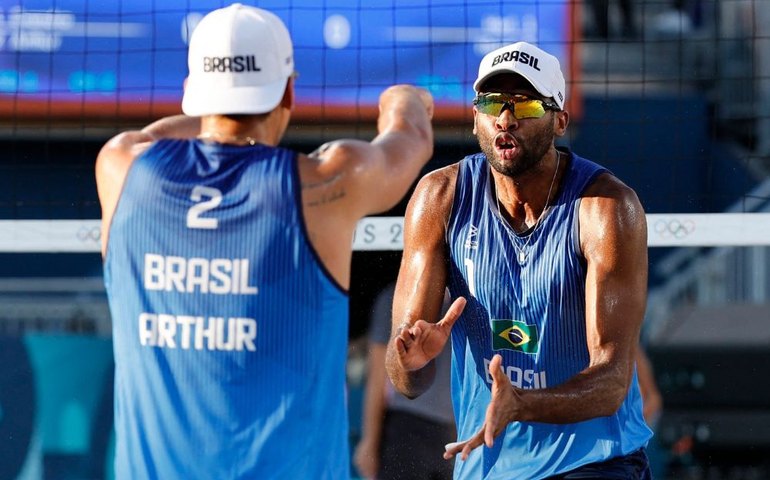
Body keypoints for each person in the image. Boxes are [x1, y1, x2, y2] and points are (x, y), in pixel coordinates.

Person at [95, 4, 434, 479]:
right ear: (289, 91)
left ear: (192, 91)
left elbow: (150, 136)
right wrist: (405, 98)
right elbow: (411, 138)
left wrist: (220, 110)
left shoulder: (120, 169)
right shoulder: (326, 186)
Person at [385, 41, 653, 479]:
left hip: (595, 462)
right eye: (491, 103)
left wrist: (521, 405)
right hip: (489, 463)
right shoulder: (439, 198)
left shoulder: (605, 207)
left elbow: (611, 380)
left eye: (525, 105)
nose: (505, 119)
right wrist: (411, 362)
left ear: (559, 120)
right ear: (475, 119)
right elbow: (406, 380)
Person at [354, 283, 455, 480]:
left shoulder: (472, 297)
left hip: (455, 431)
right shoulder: (394, 297)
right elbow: (377, 377)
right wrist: (369, 441)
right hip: (408, 427)